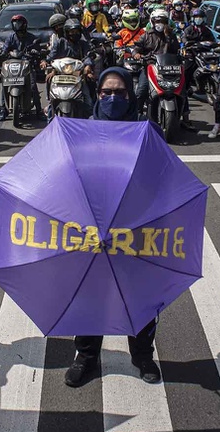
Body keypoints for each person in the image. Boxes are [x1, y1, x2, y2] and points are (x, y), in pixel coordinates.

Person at [65, 66, 161, 387]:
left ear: (131, 95)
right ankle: (87, 356)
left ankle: (143, 355)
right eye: (106, 92)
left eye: (120, 92)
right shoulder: (85, 131)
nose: (112, 98)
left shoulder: (148, 131)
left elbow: (162, 178)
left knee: (141, 296)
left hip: (137, 230)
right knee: (92, 295)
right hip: (94, 229)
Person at [0, 14, 42, 121]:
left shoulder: (31, 37)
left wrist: (35, 51)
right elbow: (4, 49)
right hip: (12, 66)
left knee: (33, 86)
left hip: (27, 66)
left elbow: (37, 48)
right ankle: (3, 110)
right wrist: (3, 52)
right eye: (15, 23)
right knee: (4, 83)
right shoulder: (11, 37)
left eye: (19, 23)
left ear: (24, 24)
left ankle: (39, 110)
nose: (17, 25)